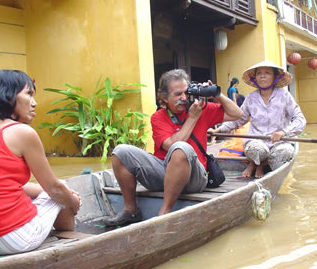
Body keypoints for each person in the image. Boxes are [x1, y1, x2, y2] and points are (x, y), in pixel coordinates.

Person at [0, 70, 82, 255]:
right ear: (8, 97)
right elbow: (55, 190)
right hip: (14, 239)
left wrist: (45, 191)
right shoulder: (22, 132)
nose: (34, 103)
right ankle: (70, 242)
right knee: (62, 189)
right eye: (29, 94)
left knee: (52, 192)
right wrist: (73, 201)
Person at [103, 69, 243, 227]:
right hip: (164, 173)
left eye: (186, 92)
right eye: (177, 94)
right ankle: (131, 210)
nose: (184, 98)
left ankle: (165, 211)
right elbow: (171, 146)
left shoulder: (201, 109)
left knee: (181, 148)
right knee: (120, 152)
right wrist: (192, 118)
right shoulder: (159, 117)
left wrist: (216, 94)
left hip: (195, 178)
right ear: (164, 97)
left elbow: (237, 114)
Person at [212, 60, 306, 178]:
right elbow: (239, 119)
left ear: (275, 77)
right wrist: (218, 130)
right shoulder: (251, 98)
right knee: (256, 150)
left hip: (279, 142)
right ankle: (256, 163)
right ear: (254, 78)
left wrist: (284, 132)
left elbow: (300, 119)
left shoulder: (284, 96)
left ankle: (258, 164)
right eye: (259, 73)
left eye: (267, 72)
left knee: (285, 152)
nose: (262, 76)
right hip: (256, 141)